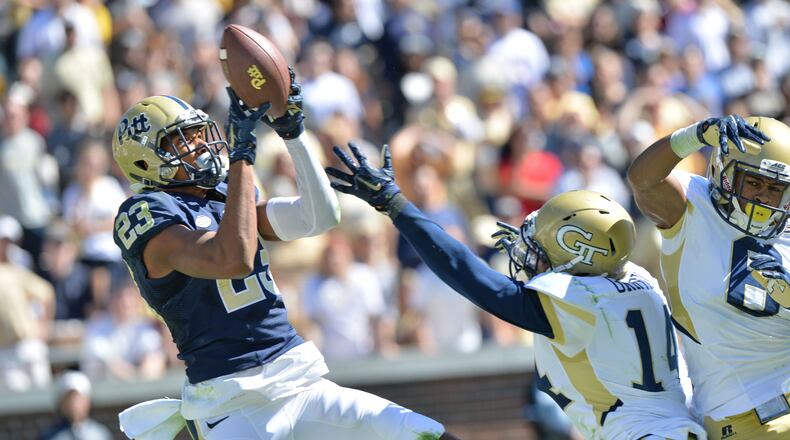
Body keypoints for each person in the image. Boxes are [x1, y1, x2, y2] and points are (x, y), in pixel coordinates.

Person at [111, 70, 453, 440]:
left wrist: (294, 133)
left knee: (421, 433)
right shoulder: (148, 212)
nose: (200, 145)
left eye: (198, 133)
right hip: (231, 403)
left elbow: (318, 216)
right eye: (181, 140)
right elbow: (231, 258)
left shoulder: (226, 191)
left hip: (297, 379)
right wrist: (243, 157)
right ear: (144, 161)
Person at [326, 144, 706, 439]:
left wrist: (397, 207)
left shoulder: (582, 299)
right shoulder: (636, 278)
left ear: (580, 252)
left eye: (542, 246)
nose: (531, 253)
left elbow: (471, 276)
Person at [627, 115, 790, 438]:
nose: (762, 197)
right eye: (753, 182)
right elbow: (643, 180)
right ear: (723, 173)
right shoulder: (691, 205)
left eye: (774, 188)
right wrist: (694, 136)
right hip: (738, 420)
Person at [39, 370, 112, 440]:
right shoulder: (48, 436)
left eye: (78, 398)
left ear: (87, 401)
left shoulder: (101, 434)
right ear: (61, 402)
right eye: (69, 398)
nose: (74, 404)